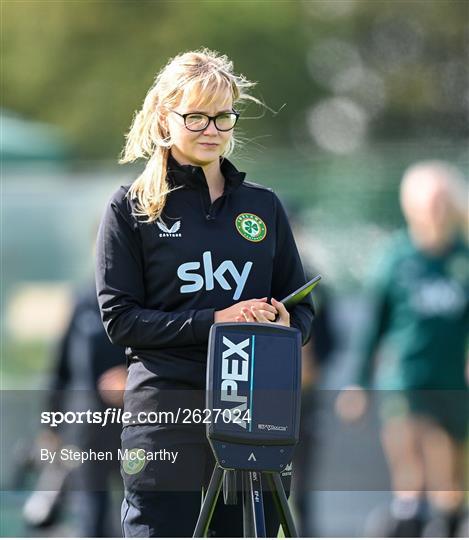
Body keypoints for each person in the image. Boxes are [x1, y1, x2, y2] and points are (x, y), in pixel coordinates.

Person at [95, 49, 314, 538]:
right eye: (196, 116)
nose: (211, 128)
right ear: (164, 117)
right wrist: (219, 319)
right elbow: (121, 320)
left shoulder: (264, 205)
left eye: (221, 116)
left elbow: (303, 310)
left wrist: (283, 324)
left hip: (250, 408)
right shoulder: (130, 207)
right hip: (164, 410)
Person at [336, 161, 469, 537]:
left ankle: (448, 519)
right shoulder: (396, 258)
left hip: (453, 381)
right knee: (415, 459)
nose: (436, 209)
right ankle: (408, 513)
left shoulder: (463, 257)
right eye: (428, 201)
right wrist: (357, 383)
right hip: (406, 376)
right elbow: (374, 327)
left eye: (442, 200)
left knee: (451, 479)